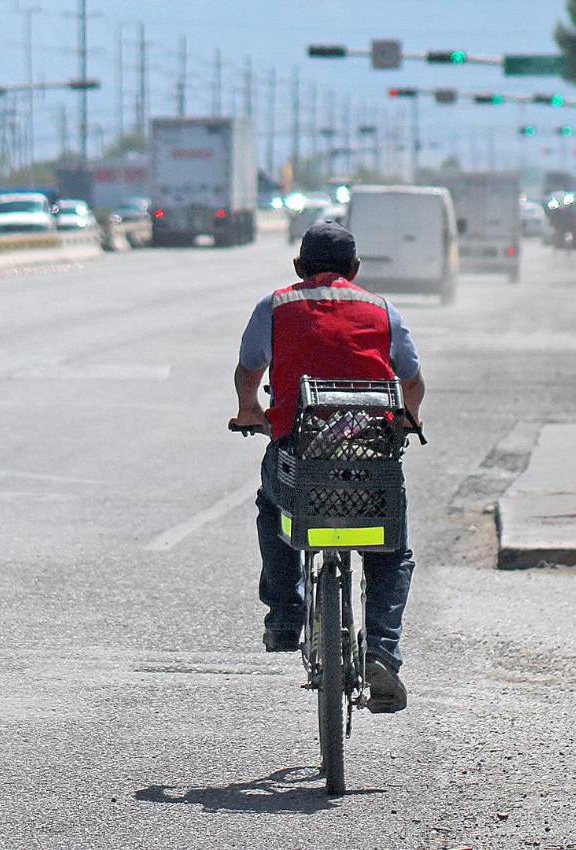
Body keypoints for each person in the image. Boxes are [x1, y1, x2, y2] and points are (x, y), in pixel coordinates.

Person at [229, 222, 425, 714]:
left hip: (301, 456)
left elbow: (250, 370)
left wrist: (250, 409)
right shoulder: (382, 308)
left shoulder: (275, 305)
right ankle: (382, 650)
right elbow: (413, 382)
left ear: (298, 267)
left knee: (273, 510)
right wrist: (409, 418)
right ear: (356, 270)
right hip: (369, 461)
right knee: (389, 549)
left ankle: (287, 616)